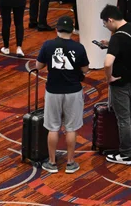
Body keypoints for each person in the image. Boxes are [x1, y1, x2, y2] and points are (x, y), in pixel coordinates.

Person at [35, 14, 90, 173]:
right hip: (73, 91)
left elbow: (38, 66)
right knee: (71, 128)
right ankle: (70, 163)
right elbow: (86, 69)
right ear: (72, 30)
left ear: (57, 29)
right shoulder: (79, 47)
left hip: (53, 91)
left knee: (53, 127)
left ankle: (52, 163)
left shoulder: (48, 45)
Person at [100, 5, 131, 165]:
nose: (106, 26)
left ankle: (125, 154)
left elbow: (107, 62)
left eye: (105, 24)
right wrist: (110, 45)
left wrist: (109, 77)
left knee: (122, 118)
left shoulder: (118, 38)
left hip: (120, 82)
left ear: (110, 20)